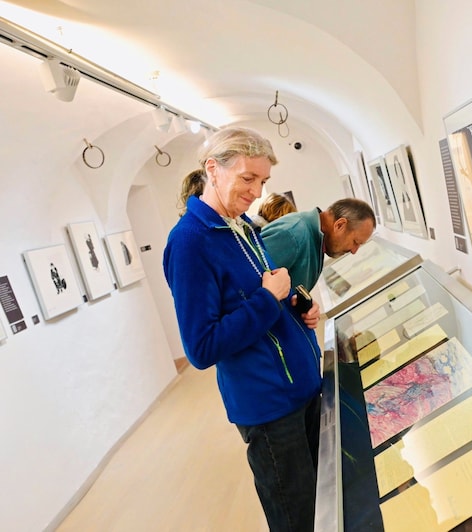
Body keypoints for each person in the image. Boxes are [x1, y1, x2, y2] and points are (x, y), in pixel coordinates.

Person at [162, 126, 323, 531]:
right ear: (212, 170)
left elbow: (261, 293)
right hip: (269, 408)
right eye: (247, 179)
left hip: (302, 387)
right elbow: (201, 347)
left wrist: (293, 305)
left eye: (263, 181)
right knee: (297, 520)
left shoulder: (245, 226)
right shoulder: (189, 242)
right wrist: (270, 299)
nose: (256, 191)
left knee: (324, 505)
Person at [259, 197, 376, 291]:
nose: (354, 251)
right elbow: (250, 284)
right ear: (340, 225)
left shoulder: (316, 243)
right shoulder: (294, 234)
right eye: (355, 242)